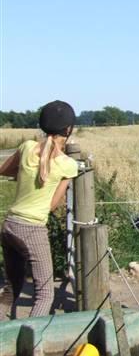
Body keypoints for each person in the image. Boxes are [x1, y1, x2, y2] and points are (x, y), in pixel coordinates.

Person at [0, 100, 78, 320]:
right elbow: (52, 205)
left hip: (9, 226)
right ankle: (30, 344)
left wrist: (25, 176)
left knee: (11, 289)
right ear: (69, 130)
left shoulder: (26, 147)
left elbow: (4, 170)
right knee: (44, 295)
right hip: (33, 229)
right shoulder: (68, 165)